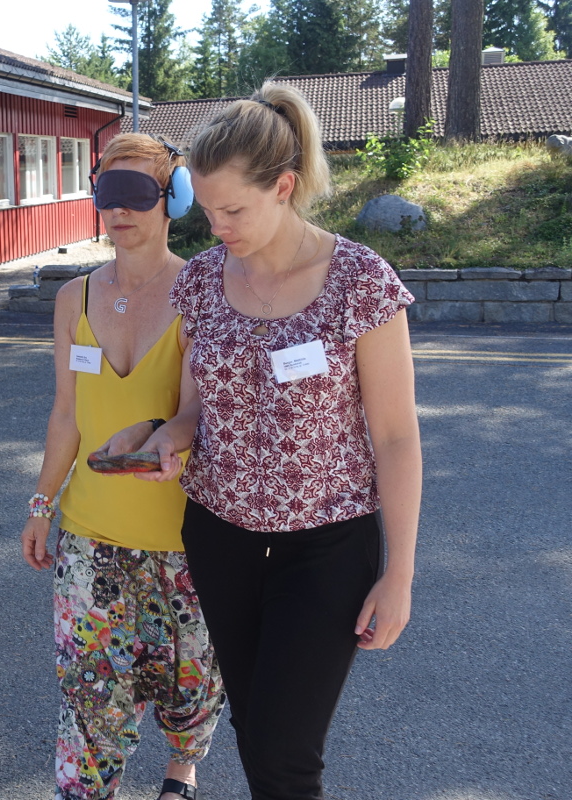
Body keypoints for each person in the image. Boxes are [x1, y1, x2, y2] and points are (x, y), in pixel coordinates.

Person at [97, 83, 421, 800]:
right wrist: (164, 439)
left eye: (233, 210)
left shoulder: (360, 282)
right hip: (220, 536)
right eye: (206, 209)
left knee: (284, 748)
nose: (217, 228)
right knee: (254, 726)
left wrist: (397, 575)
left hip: (328, 543)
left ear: (284, 185)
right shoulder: (205, 282)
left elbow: (396, 438)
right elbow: (193, 410)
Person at [20, 133, 225, 800]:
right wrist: (42, 504)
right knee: (90, 704)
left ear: (174, 197)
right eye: (108, 193)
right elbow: (65, 416)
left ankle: (181, 770)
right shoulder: (71, 300)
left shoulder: (204, 290)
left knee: (191, 688)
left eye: (137, 193)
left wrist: (164, 436)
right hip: (90, 540)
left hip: (185, 542)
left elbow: (197, 412)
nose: (119, 210)